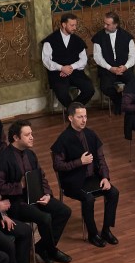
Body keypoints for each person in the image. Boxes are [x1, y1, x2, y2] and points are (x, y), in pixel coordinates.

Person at [0, 120, 75, 258]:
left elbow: (41, 176)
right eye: (27, 135)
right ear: (16, 138)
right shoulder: (3, 159)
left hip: (36, 196)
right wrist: (20, 186)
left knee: (64, 211)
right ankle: (51, 251)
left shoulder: (30, 154)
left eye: (31, 133)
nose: (32, 137)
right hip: (16, 202)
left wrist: (48, 194)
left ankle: (42, 247)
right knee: (44, 218)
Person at [51, 104, 120, 244]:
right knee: (88, 199)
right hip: (72, 181)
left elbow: (101, 159)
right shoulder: (64, 139)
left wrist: (106, 177)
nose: (84, 120)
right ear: (70, 118)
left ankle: (106, 230)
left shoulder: (91, 134)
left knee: (113, 192)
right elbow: (58, 165)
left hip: (91, 177)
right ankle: (93, 234)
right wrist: (79, 162)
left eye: (85, 116)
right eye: (79, 117)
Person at [40, 12, 92, 108]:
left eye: (75, 25)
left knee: (89, 89)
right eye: (72, 25)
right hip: (57, 73)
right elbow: (46, 60)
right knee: (62, 92)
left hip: (75, 71)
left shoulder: (78, 40)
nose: (75, 28)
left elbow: (84, 59)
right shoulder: (50, 40)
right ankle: (74, 111)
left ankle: (73, 109)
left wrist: (71, 67)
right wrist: (61, 68)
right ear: (64, 25)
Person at [91, 11, 135, 113]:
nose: (105, 26)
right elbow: (97, 57)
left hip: (124, 68)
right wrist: (110, 68)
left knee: (134, 83)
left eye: (108, 24)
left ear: (116, 24)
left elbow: (133, 55)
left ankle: (129, 104)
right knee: (105, 87)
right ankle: (118, 100)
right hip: (108, 70)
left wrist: (125, 67)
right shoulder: (98, 37)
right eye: (104, 23)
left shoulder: (127, 36)